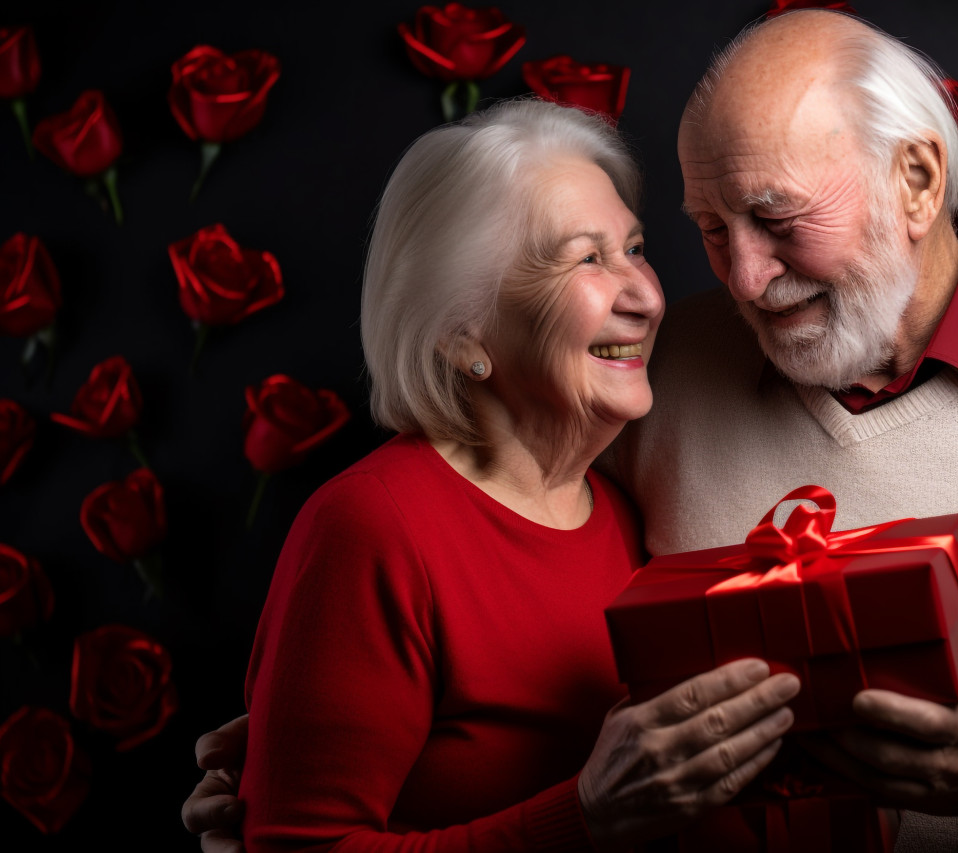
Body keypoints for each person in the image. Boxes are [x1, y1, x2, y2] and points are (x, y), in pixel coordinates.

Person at [186, 10, 958, 851]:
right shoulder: (657, 374)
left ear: (914, 178)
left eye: (774, 217)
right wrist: (296, 752)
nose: (742, 280)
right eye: (707, 231)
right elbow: (481, 546)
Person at [212, 97, 804, 852]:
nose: (649, 297)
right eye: (586, 258)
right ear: (465, 335)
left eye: (634, 247)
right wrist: (586, 817)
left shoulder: (624, 505)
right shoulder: (372, 527)